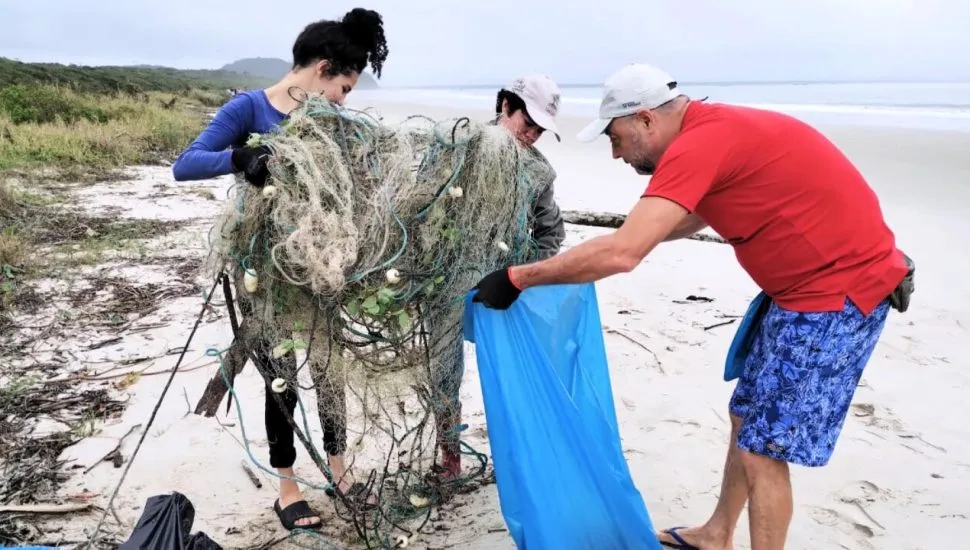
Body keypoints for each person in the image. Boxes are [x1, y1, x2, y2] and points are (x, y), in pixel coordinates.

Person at [470, 63, 915, 550]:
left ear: (645, 119)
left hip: (834, 297)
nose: (616, 153)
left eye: (616, 138)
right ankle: (716, 533)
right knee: (746, 419)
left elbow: (623, 253)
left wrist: (519, 278)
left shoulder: (698, 143)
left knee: (764, 452)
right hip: (796, 292)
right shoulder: (711, 130)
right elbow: (693, 214)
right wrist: (639, 237)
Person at [171, 8, 389, 531]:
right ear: (321, 67)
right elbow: (186, 162)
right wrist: (241, 159)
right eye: (344, 87)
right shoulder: (249, 108)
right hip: (264, 274)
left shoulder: (330, 121)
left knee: (331, 374)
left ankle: (338, 470)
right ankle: (287, 488)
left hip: (322, 268)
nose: (343, 100)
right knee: (280, 379)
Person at [431, 74, 566, 482]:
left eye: (541, 131)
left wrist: (519, 274)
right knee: (443, 370)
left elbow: (551, 234)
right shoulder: (461, 147)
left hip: (500, 287)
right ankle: (450, 461)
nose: (532, 136)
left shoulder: (539, 172)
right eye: (528, 125)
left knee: (509, 370)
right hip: (445, 283)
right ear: (505, 106)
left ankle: (520, 458)